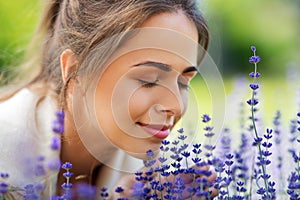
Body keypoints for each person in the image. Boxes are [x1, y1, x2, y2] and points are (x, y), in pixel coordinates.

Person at [0, 0, 217, 199]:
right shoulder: (5, 156)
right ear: (76, 71)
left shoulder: (154, 177)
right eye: (148, 80)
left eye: (183, 82)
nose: (176, 106)